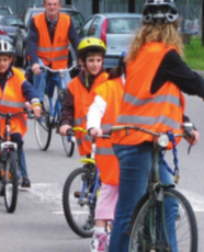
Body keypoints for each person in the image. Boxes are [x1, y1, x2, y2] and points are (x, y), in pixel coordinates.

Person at [109, 1, 204, 251]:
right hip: (135, 142)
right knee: (128, 214)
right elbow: (195, 83)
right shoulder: (164, 55)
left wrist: (184, 122)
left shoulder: (140, 54)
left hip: (144, 139)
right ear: (172, 28)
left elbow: (158, 100)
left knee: (169, 202)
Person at [0, 40, 42, 188]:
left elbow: (30, 91)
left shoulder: (18, 75)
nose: (2, 63)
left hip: (13, 119)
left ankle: (19, 171)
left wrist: (36, 104)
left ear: (11, 60)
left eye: (5, 59)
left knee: (17, 140)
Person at [86, 52, 126, 252]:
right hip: (111, 150)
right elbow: (96, 109)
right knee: (110, 191)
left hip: (137, 149)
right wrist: (93, 127)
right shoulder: (109, 87)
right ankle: (100, 236)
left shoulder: (146, 88)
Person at [58, 37, 109, 157]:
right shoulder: (74, 85)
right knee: (90, 173)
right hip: (87, 142)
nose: (95, 64)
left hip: (107, 140)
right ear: (81, 62)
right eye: (91, 60)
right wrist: (65, 123)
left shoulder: (108, 81)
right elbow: (68, 108)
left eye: (98, 60)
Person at [25, 0, 79, 105]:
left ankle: (65, 114)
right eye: (49, 4)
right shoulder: (36, 20)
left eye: (55, 4)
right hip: (42, 60)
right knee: (39, 72)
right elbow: (31, 42)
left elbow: (75, 41)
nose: (52, 7)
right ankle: (39, 103)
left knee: (68, 90)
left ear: (60, 6)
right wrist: (35, 62)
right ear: (44, 5)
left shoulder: (67, 20)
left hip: (61, 64)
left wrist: (82, 59)